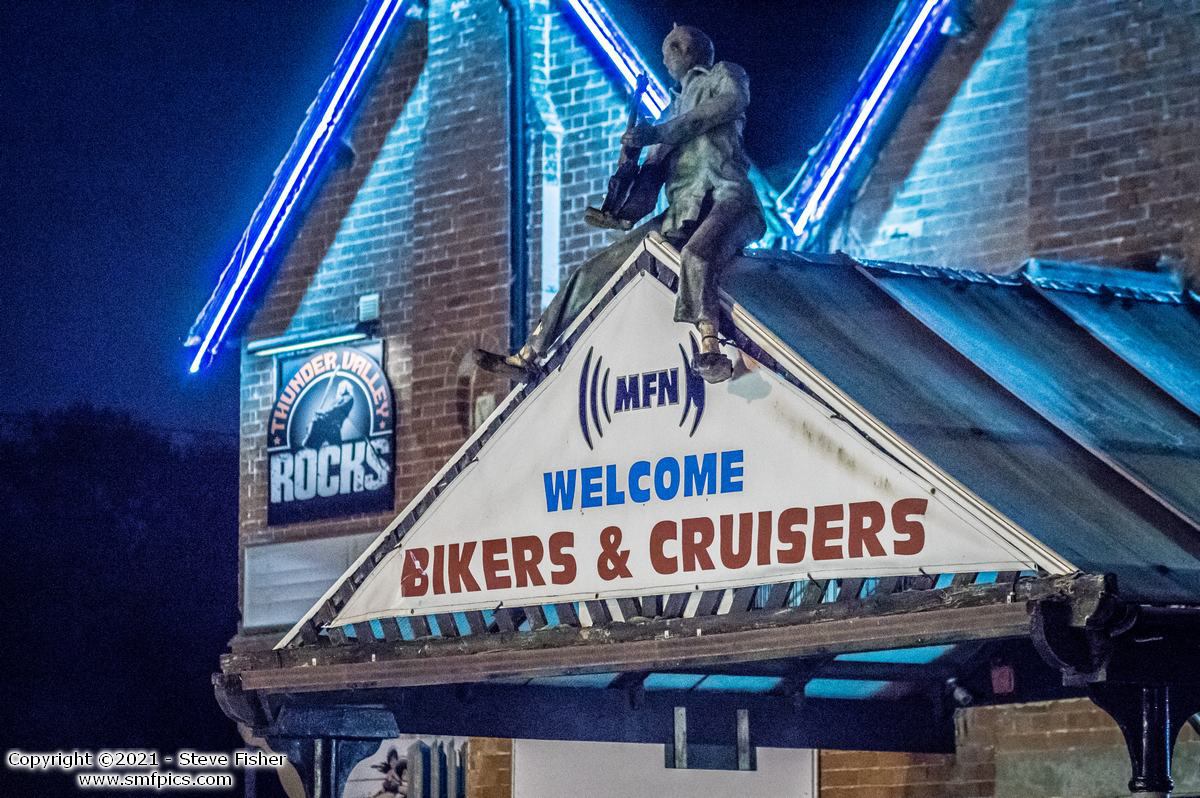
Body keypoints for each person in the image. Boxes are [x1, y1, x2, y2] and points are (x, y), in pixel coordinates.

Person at [475, 24, 764, 383]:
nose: (666, 57)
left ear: (691, 49)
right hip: (680, 214)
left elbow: (725, 106)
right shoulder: (668, 113)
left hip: (729, 200)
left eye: (672, 48)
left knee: (696, 256)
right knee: (591, 272)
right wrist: (627, 173)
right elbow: (645, 194)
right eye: (665, 51)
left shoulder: (723, 76)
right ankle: (529, 354)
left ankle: (709, 348)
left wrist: (657, 133)